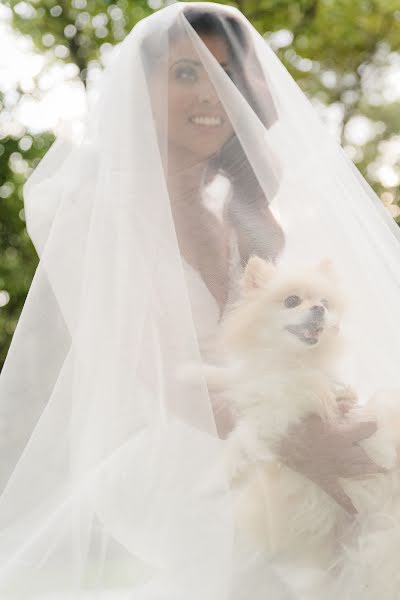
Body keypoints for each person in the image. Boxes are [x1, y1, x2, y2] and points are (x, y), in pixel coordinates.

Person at [0, 3, 398, 599]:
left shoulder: (240, 219)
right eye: (186, 72)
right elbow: (159, 369)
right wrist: (296, 445)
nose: (212, 92)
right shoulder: (88, 208)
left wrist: (332, 422)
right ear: (142, 89)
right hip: (173, 448)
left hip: (264, 426)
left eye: (227, 76)